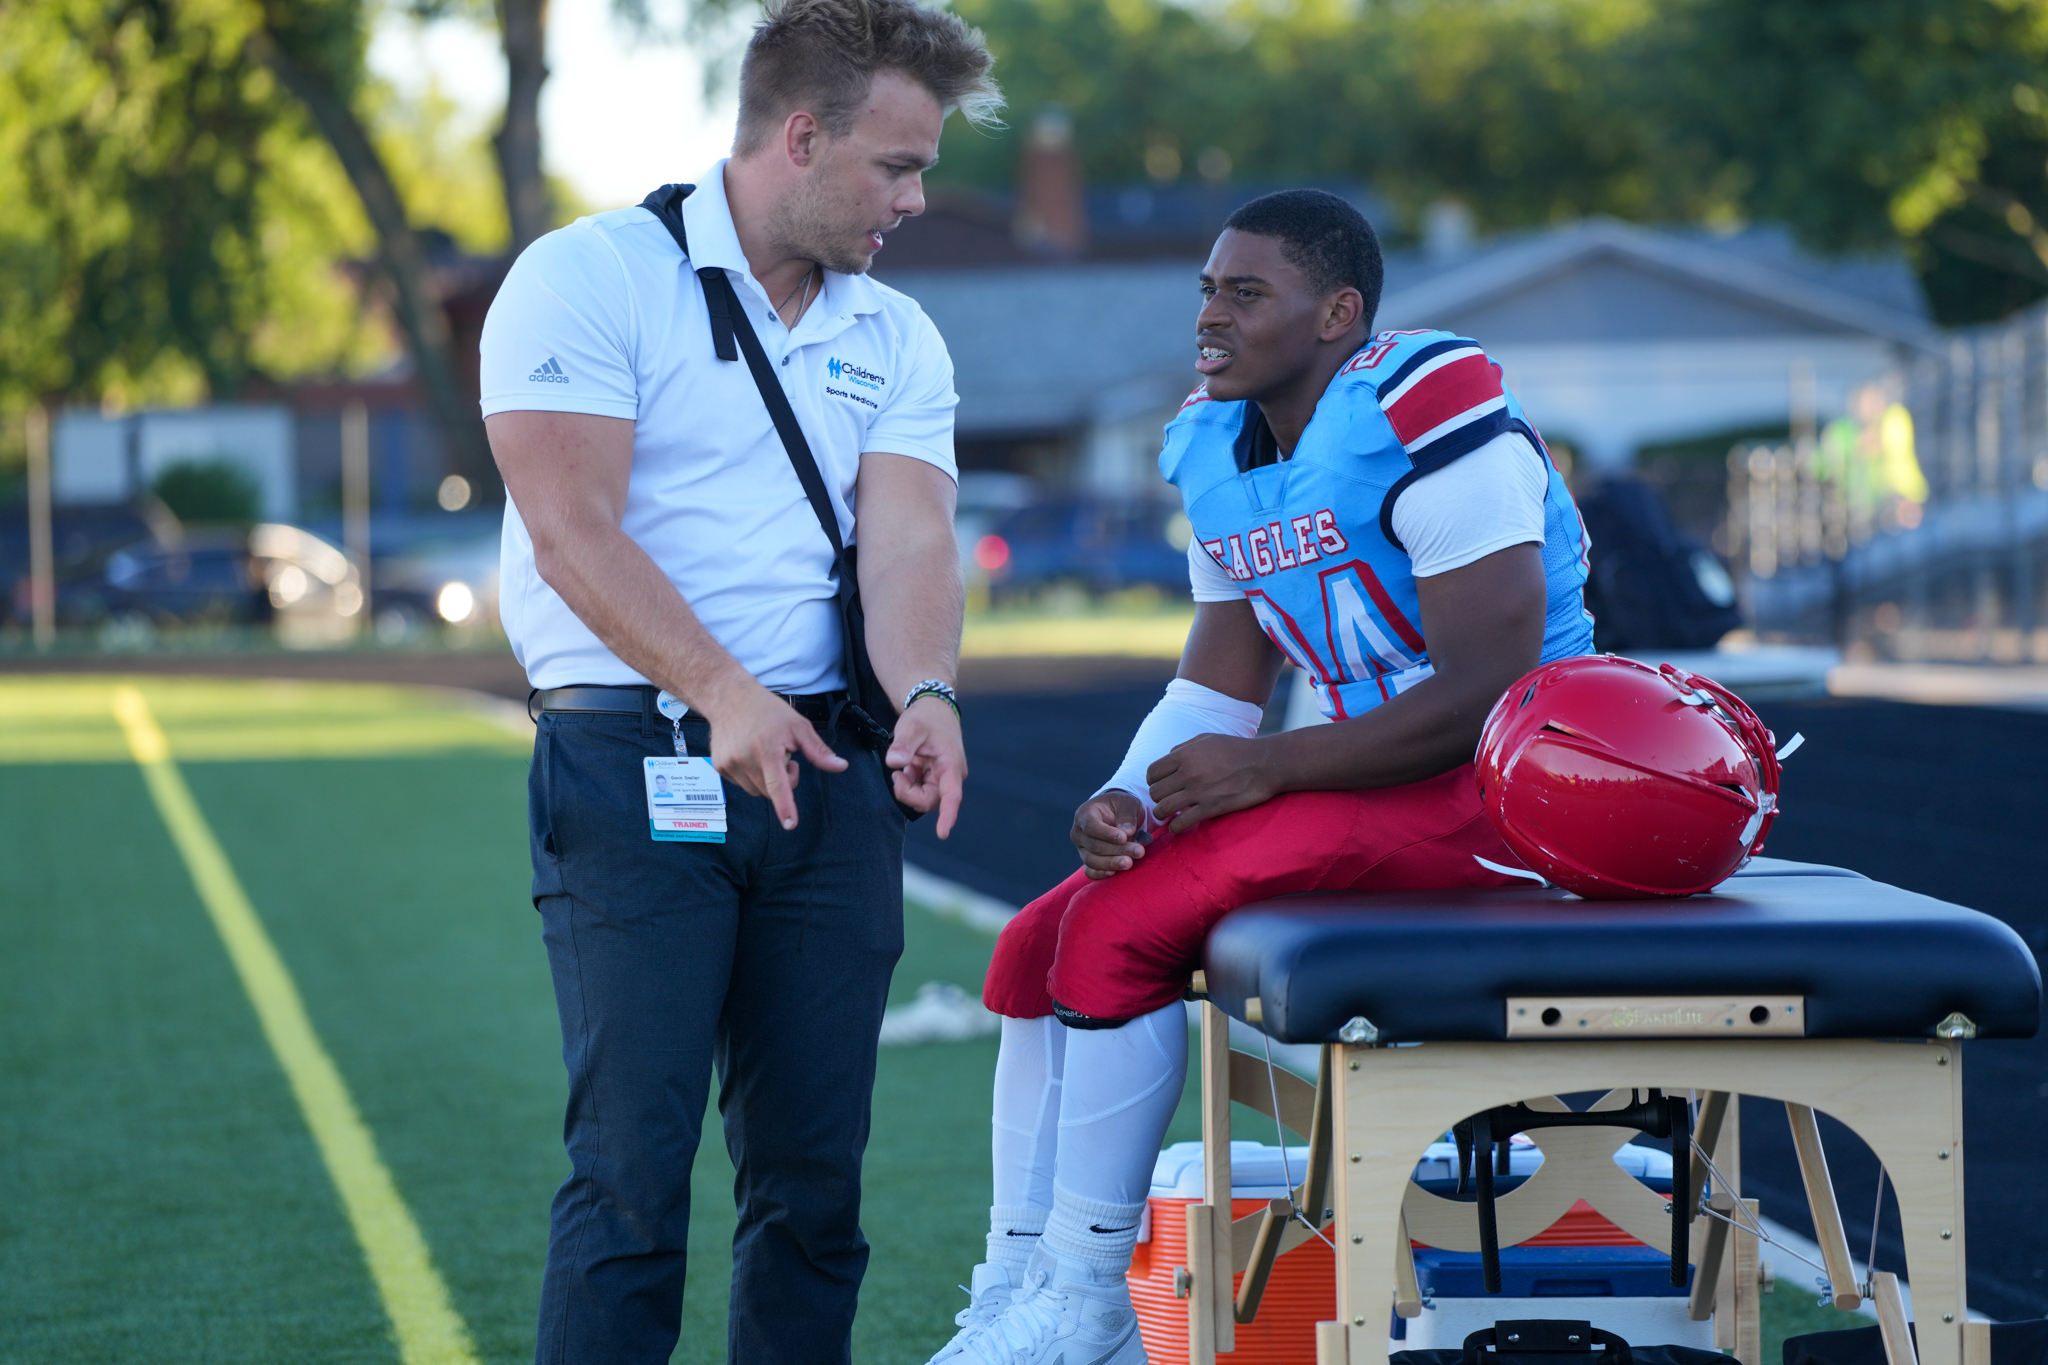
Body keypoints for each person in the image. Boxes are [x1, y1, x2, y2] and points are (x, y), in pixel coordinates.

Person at [925, 190, 1596, 1365]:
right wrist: (1129, 796)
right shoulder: (1218, 441)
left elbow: (1489, 691)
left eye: (1246, 292)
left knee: (1123, 929)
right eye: (1206, 290)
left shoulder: (1424, 409)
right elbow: (1216, 684)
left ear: (1338, 312)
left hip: (1515, 788)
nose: (1211, 315)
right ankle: (1018, 1281)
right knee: (1034, 943)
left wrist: (1268, 768)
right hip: (1367, 769)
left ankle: (1085, 1300)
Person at [476, 1, 998, 1359]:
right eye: (895, 164)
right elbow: (570, 528)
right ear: (802, 136)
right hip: (635, 761)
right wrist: (720, 688)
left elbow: (907, 541)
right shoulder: (585, 278)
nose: (918, 196)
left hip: (825, 783)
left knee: (814, 1188)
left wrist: (929, 692)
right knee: (632, 1178)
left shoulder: (899, 335)